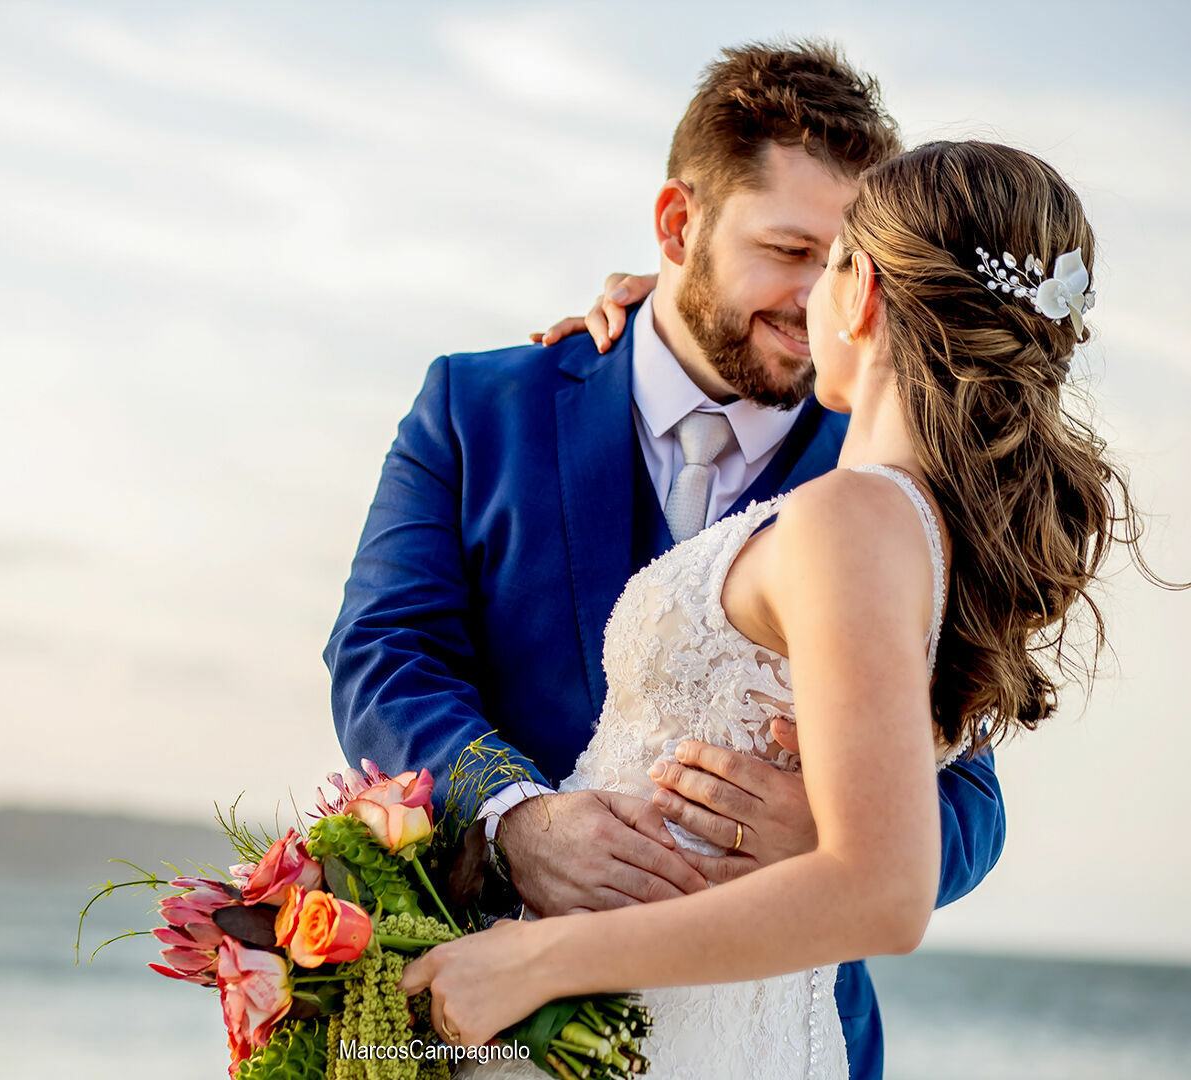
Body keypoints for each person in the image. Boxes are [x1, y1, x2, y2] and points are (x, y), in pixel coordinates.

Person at [398, 138, 1177, 1077]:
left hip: (662, 1020)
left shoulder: (853, 518)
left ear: (863, 295)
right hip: (684, 1017)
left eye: (833, 258)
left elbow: (884, 893)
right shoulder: (915, 521)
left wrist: (539, 956)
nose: (808, 295)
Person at [325, 42, 1006, 1077]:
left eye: (843, 262)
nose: (817, 298)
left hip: (767, 1033)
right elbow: (384, 655)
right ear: (678, 227)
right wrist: (514, 820)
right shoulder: (479, 408)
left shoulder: (883, 478)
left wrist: (822, 835)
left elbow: (967, 799)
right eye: (787, 250)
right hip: (497, 1014)